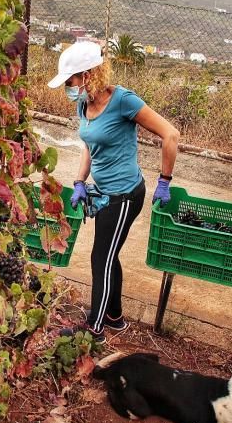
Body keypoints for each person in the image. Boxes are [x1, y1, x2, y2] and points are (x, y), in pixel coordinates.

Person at [48, 42, 180, 342]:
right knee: (109, 255)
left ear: (88, 74)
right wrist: (80, 181)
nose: (68, 88)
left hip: (124, 195)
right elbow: (91, 145)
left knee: (101, 258)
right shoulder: (83, 103)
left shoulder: (124, 101)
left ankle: (94, 330)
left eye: (70, 81)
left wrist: (165, 180)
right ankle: (115, 317)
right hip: (104, 192)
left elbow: (171, 134)